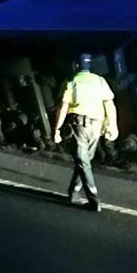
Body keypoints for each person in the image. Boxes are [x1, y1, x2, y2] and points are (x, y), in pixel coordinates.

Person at [54, 53, 118, 212]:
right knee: (85, 161)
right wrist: (113, 125)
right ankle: (74, 192)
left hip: (79, 125)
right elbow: (110, 104)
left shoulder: (71, 81)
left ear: (75, 65)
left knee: (83, 162)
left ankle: (94, 199)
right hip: (96, 126)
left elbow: (63, 107)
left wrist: (57, 129)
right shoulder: (100, 81)